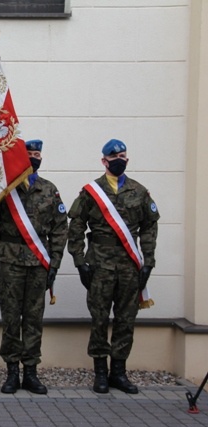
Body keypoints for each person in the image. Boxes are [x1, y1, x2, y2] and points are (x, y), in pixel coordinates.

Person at [0, 140, 68, 394]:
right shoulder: (6, 189)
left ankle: (31, 372)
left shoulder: (49, 190)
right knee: (12, 317)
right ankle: (12, 372)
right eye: (30, 154)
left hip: (39, 263)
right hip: (10, 262)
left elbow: (60, 230)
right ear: (20, 158)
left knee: (34, 319)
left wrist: (54, 264)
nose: (35, 157)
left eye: (38, 154)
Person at [67, 139, 159, 394]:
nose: (119, 159)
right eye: (113, 156)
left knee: (126, 320)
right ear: (104, 161)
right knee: (99, 319)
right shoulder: (91, 192)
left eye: (122, 155)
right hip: (99, 265)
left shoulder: (139, 192)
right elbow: (75, 226)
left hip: (130, 266)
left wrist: (148, 262)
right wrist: (79, 262)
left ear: (126, 159)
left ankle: (118, 372)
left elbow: (150, 227)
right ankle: (100, 373)